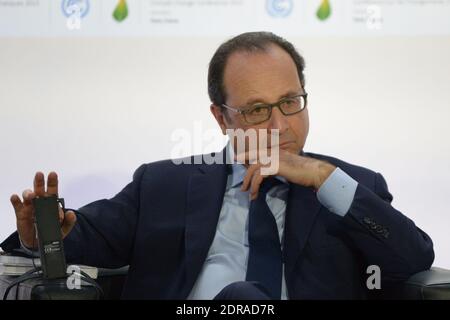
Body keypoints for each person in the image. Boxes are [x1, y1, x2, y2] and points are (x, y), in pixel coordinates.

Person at [1, 32, 434, 299]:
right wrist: (44, 237)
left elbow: (411, 258)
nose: (282, 124)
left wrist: (321, 177)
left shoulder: (349, 187)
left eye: (290, 101)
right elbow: (85, 236)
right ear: (221, 117)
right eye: (258, 109)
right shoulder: (163, 184)